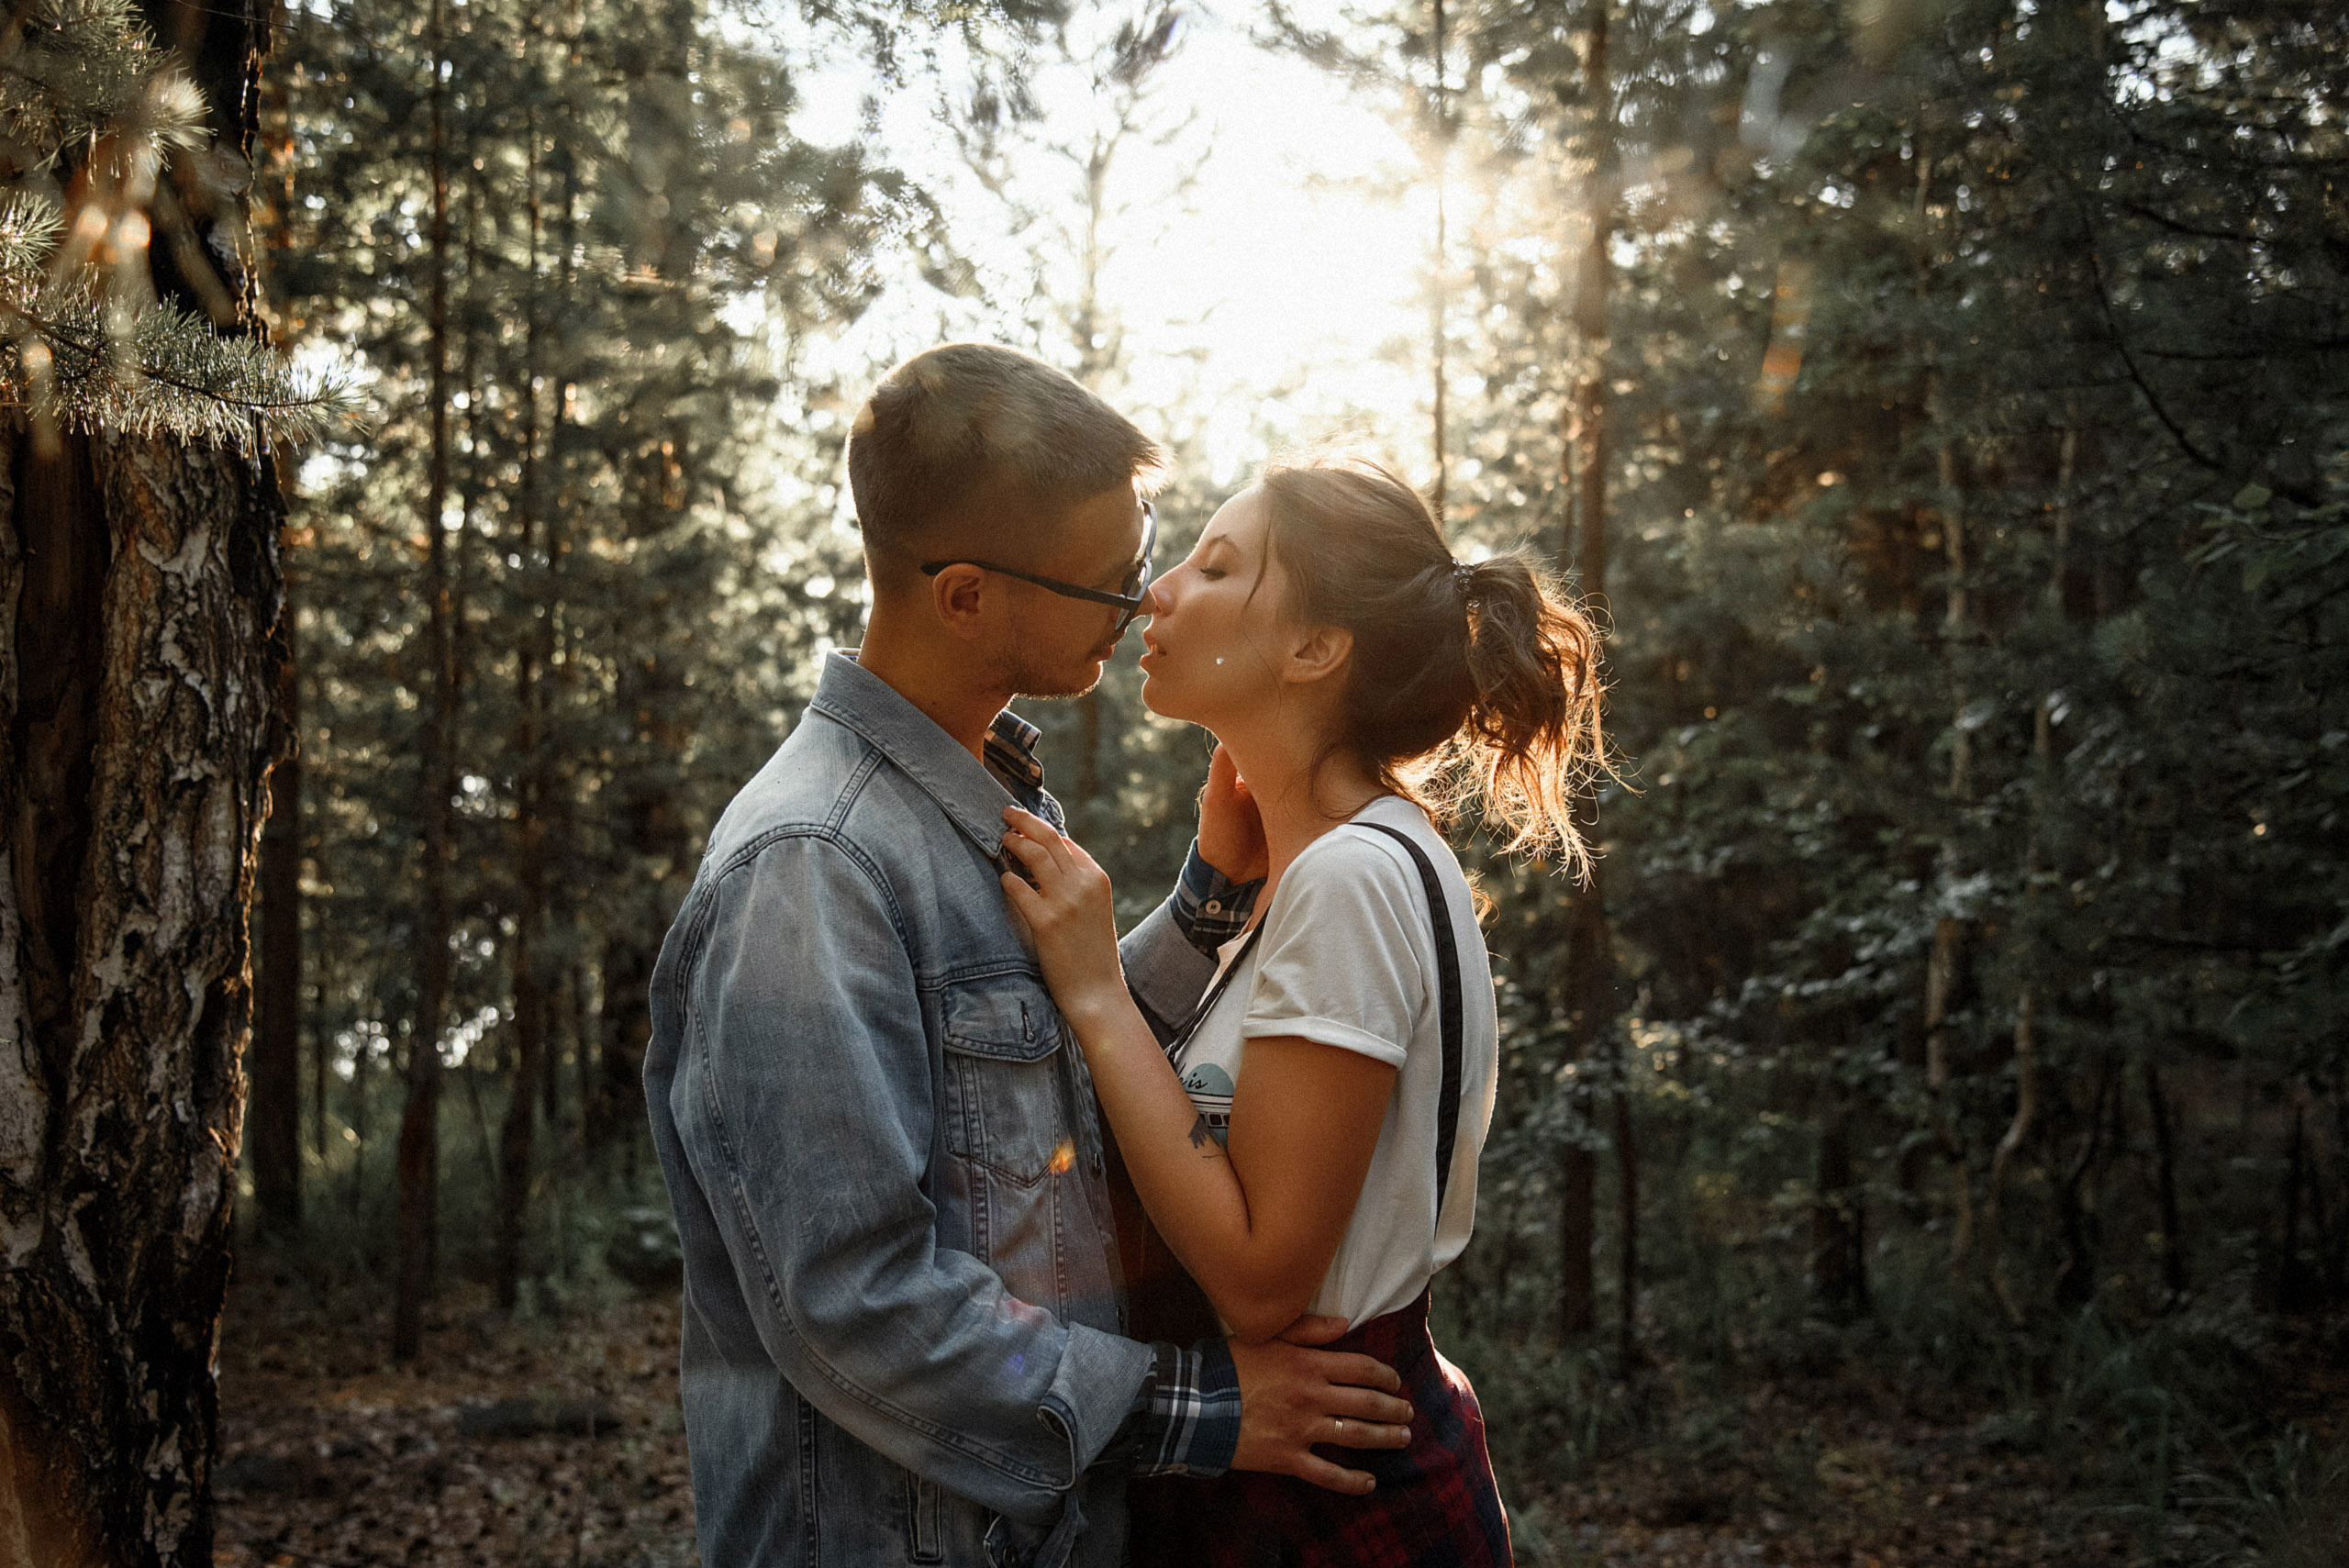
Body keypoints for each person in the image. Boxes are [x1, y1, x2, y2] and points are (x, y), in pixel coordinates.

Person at [640, 345, 1417, 1568]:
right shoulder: (811, 870)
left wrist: (1206, 904)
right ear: (966, 597)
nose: (1143, 599)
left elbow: (1035, 1074)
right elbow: (852, 1303)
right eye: (1111, 581)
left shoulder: (987, 792)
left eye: (1149, 551)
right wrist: (1203, 1408)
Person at [999, 451, 1606, 1567]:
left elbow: (1263, 1274)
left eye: (1216, 566)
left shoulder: (1348, 877)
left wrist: (1092, 988)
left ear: (1316, 648)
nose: (1158, 589)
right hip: (1295, 1456)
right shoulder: (1314, 867)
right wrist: (1208, 892)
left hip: (1325, 1487)